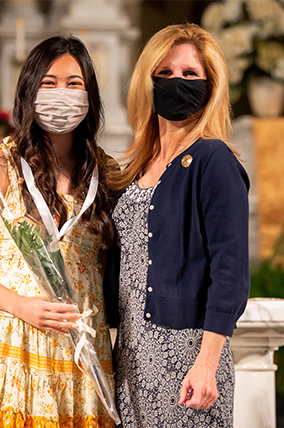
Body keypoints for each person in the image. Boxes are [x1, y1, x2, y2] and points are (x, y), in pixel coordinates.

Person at [0, 36, 118, 427]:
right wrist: (22, 306)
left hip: (80, 343)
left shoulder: (102, 172)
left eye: (75, 83)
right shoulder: (0, 166)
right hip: (16, 338)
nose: (62, 93)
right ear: (29, 91)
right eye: (49, 82)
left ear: (90, 95)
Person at [105, 23, 249, 427]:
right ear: (146, 82)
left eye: (189, 74)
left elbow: (231, 272)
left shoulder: (213, 160)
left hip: (186, 358)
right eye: (164, 74)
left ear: (210, 85)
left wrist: (206, 364)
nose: (175, 83)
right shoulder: (134, 168)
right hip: (132, 355)